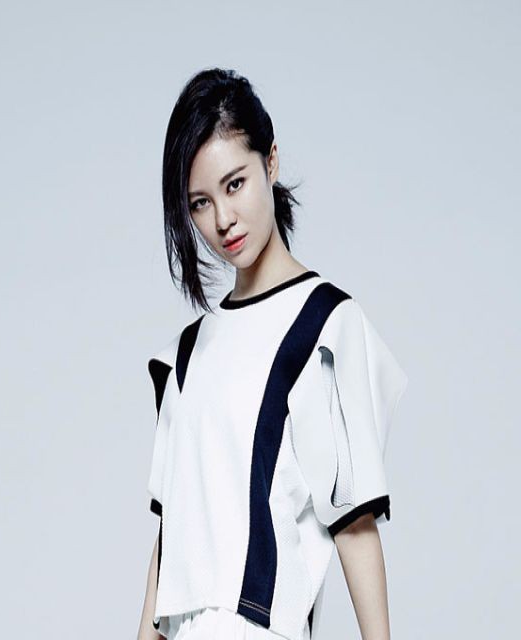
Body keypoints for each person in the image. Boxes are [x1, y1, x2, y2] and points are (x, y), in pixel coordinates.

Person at [137, 68, 408, 640]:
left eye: (235, 184)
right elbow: (169, 548)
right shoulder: (187, 354)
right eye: (201, 202)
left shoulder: (322, 324)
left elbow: (353, 520)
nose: (223, 220)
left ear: (271, 162)